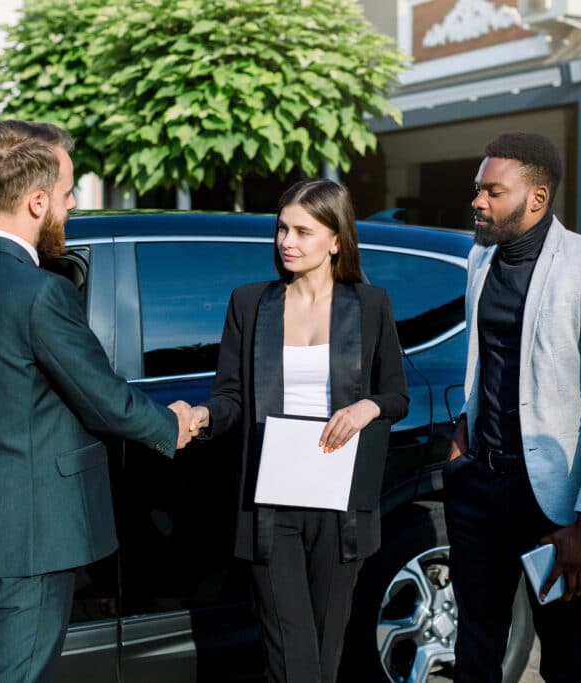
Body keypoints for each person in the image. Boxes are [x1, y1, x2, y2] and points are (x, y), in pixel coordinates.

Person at [0, 119, 197, 683]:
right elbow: (105, 399)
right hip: (30, 542)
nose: (71, 206)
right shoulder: (42, 293)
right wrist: (171, 424)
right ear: (38, 201)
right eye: (67, 195)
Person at [188, 178, 409, 683]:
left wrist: (366, 410)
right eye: (282, 229)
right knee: (292, 662)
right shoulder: (249, 304)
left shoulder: (371, 306)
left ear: (336, 239)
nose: (287, 241)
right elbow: (231, 397)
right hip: (273, 502)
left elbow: (396, 394)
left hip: (340, 503)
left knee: (325, 660)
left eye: (303, 231)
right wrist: (204, 417)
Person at [445, 132, 581, 682]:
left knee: (562, 653)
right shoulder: (479, 260)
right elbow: (488, 364)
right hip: (478, 486)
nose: (478, 201)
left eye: (492, 191)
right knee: (475, 644)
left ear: (536, 198)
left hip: (553, 503)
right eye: (477, 190)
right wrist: (464, 435)